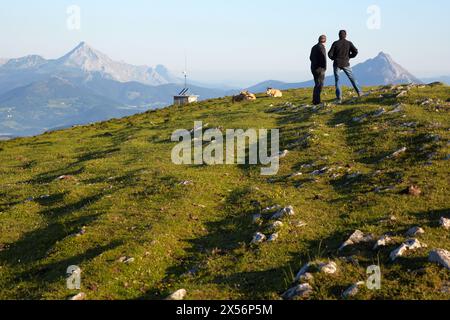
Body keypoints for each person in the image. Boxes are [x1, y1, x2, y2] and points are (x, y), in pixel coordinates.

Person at [328, 30, 363, 103]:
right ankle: (359, 92)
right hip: (346, 63)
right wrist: (349, 56)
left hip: (337, 63)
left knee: (337, 80)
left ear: (339, 35)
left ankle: (339, 98)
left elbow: (329, 54)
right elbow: (355, 51)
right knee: (352, 78)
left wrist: (334, 58)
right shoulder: (349, 43)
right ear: (345, 35)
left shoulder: (335, 43)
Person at [310, 35, 327, 105]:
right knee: (320, 84)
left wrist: (314, 63)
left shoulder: (314, 47)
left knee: (317, 84)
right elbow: (324, 57)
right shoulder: (322, 47)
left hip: (313, 68)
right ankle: (317, 101)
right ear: (325, 41)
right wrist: (324, 67)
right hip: (320, 69)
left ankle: (315, 100)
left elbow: (310, 57)